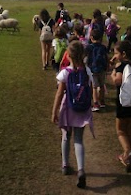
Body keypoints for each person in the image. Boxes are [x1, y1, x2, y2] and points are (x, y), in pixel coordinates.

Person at [51, 41, 94, 189]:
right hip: (82, 110)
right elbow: (91, 89)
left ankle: (65, 165)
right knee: (78, 139)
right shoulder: (87, 72)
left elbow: (59, 93)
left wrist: (54, 112)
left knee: (65, 136)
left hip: (68, 108)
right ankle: (81, 169)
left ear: (68, 55)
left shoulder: (65, 73)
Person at [109, 40, 131, 173]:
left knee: (120, 131)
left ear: (123, 54)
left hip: (124, 102)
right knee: (129, 129)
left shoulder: (122, 66)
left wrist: (113, 73)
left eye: (116, 53)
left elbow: (117, 81)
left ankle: (128, 154)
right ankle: (127, 154)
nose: (115, 56)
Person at [86, 29, 108, 112]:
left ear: (91, 37)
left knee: (94, 87)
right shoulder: (103, 47)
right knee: (102, 85)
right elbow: (106, 57)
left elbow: (86, 57)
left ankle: (95, 103)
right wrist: (107, 65)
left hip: (93, 69)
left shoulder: (89, 47)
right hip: (102, 68)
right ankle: (102, 101)